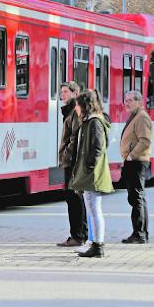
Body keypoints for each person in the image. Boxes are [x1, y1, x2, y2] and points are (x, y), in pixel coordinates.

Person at [69, 90, 114, 258]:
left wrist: (88, 167)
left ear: (85, 106)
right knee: (92, 208)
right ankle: (93, 242)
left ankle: (98, 245)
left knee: (94, 209)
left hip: (93, 174)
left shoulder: (94, 123)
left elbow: (97, 147)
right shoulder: (91, 121)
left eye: (78, 106)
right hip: (91, 173)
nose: (76, 109)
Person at [56, 81, 88, 247]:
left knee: (74, 198)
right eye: (61, 92)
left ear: (75, 93)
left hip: (73, 162)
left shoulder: (75, 112)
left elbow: (76, 136)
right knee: (74, 198)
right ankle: (79, 234)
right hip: (71, 161)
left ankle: (78, 235)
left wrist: (67, 154)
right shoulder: (70, 111)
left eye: (66, 92)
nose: (62, 95)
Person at [119, 90, 152, 244]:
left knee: (137, 198)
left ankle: (139, 233)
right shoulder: (135, 116)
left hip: (137, 161)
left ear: (139, 102)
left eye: (130, 100)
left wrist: (132, 155)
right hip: (133, 161)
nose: (127, 103)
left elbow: (145, 140)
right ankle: (140, 232)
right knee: (136, 197)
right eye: (126, 100)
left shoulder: (141, 117)